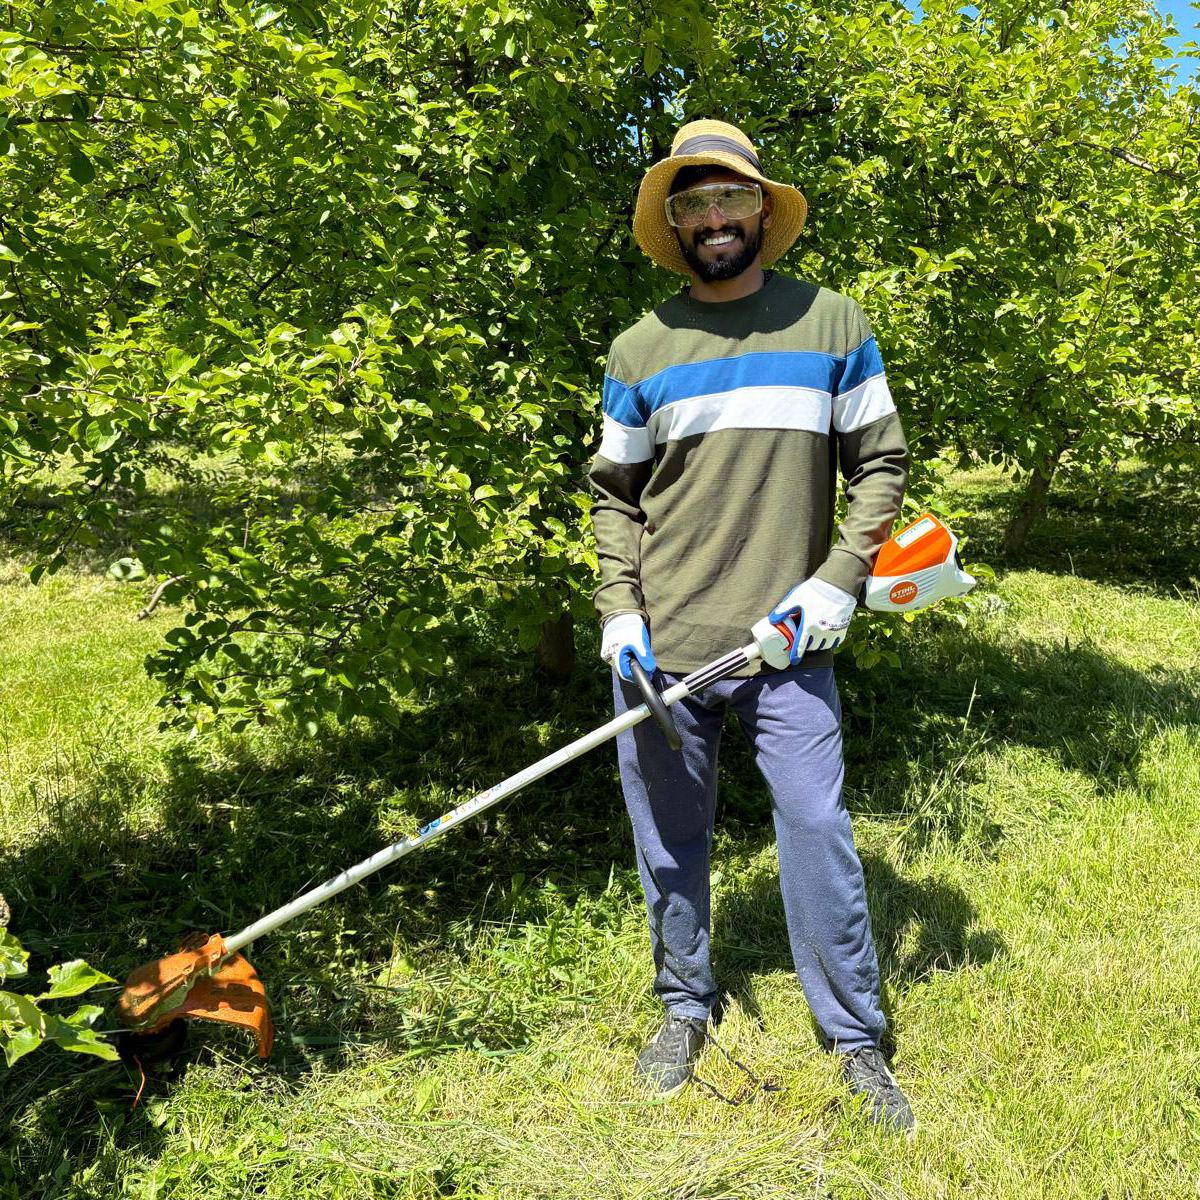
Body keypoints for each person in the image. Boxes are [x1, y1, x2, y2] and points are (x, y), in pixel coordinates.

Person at [587, 119, 915, 1132]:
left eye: (731, 198)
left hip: (788, 646)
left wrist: (839, 579)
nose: (716, 218)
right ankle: (685, 1006)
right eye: (694, 203)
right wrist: (618, 608)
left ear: (762, 210)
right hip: (663, 649)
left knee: (816, 827)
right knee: (671, 838)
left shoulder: (830, 324)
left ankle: (856, 1040)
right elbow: (614, 493)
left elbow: (881, 465)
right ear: (673, 222)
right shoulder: (640, 347)